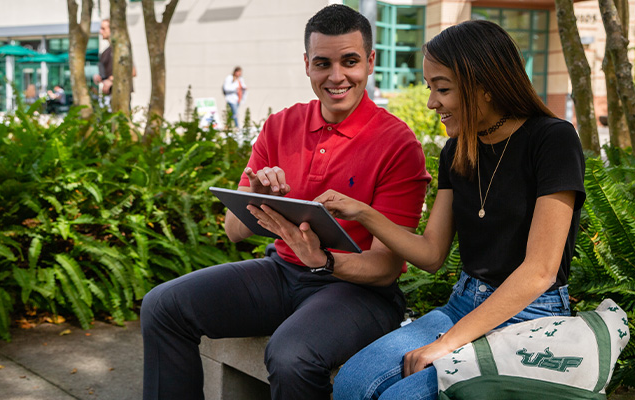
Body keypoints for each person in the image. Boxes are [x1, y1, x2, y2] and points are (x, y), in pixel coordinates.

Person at [140, 5, 432, 400]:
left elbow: (384, 268)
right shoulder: (280, 125)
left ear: (370, 61)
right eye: (323, 63)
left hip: (361, 293)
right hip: (282, 272)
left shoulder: (398, 143)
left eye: (350, 61)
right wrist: (259, 198)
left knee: (292, 354)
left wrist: (326, 262)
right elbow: (233, 232)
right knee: (162, 306)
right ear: (307, 65)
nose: (336, 76)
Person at [325, 20, 586, 400]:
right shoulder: (456, 150)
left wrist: (447, 343)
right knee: (351, 382)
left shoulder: (552, 140)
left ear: (484, 86)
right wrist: (364, 213)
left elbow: (540, 271)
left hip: (532, 314)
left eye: (442, 89)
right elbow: (431, 254)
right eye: (431, 88)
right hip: (462, 302)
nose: (432, 103)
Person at [94, 18, 136, 110]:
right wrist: (100, 78)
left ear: (112, 29)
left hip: (121, 94)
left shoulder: (122, 49)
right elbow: (105, 76)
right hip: (108, 96)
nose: (100, 31)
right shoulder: (104, 53)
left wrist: (112, 80)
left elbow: (132, 72)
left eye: (103, 28)